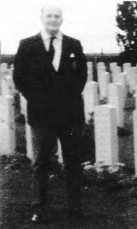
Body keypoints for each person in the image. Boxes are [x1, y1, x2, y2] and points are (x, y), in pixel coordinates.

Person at [13, 5, 87, 222]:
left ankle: (74, 206)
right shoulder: (28, 45)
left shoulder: (74, 44)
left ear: (62, 19)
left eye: (57, 16)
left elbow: (81, 76)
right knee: (41, 162)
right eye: (49, 16)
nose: (53, 20)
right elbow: (20, 77)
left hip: (70, 114)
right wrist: (39, 100)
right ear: (42, 18)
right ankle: (40, 208)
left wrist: (68, 97)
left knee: (73, 161)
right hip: (42, 114)